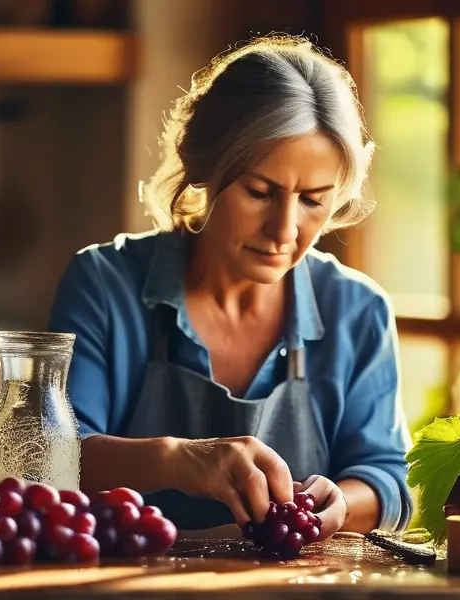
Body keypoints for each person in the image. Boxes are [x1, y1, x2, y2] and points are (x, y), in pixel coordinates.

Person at [48, 35, 413, 540]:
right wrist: (179, 460)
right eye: (260, 192)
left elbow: (388, 479)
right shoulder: (104, 285)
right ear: (201, 163)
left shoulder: (358, 310)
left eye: (313, 200)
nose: (284, 230)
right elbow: (54, 459)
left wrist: (341, 505)